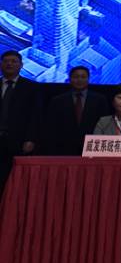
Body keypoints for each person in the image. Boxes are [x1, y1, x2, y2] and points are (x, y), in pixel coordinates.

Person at [43, 66, 108, 155]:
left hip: (92, 147)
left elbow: (104, 125)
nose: (79, 80)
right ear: (69, 79)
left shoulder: (99, 100)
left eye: (83, 77)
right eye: (76, 77)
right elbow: (51, 126)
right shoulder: (57, 101)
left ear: (88, 79)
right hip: (63, 148)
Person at [0, 50, 42, 188]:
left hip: (18, 141)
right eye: (6, 61)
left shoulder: (32, 87)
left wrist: (31, 139)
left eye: (14, 61)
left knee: (14, 180)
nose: (9, 64)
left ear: (21, 65)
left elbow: (35, 116)